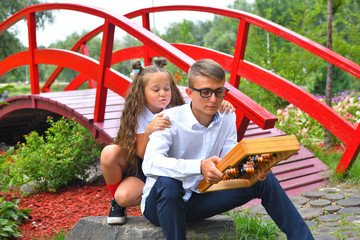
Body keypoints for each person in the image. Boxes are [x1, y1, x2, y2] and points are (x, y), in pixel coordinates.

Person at [141, 59, 314, 239]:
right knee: (169, 183)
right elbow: (150, 164)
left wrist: (254, 171)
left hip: (199, 199)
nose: (213, 99)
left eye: (219, 92)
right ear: (190, 93)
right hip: (161, 205)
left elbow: (233, 159)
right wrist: (199, 166)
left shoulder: (227, 116)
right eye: (205, 92)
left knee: (264, 179)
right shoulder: (168, 119)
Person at [100, 59, 234, 225]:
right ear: (142, 92)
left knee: (140, 192)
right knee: (111, 160)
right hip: (139, 164)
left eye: (166, 88)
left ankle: (169, 202)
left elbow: (202, 106)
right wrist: (149, 130)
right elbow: (143, 154)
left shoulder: (175, 108)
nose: (162, 94)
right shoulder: (137, 113)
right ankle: (116, 202)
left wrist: (222, 103)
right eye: (156, 90)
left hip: (164, 167)